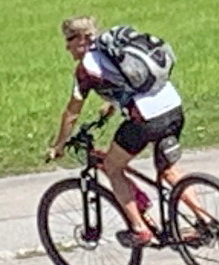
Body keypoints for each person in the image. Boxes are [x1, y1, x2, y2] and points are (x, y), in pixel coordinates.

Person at [46, 16, 186, 248]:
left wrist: (58, 145)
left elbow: (72, 113)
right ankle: (206, 222)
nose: (66, 47)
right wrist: (111, 105)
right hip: (173, 107)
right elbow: (125, 82)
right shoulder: (114, 50)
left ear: (82, 39)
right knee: (169, 171)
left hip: (146, 118)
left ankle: (139, 230)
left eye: (69, 39)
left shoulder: (86, 68)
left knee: (112, 167)